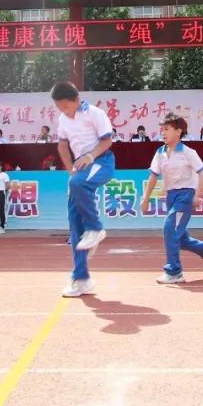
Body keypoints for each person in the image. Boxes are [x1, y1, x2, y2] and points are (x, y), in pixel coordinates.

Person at [52, 81, 115, 298]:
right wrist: (71, 170)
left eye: (66, 108)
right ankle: (82, 278)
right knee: (74, 220)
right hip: (81, 167)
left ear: (76, 100)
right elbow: (62, 145)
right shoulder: (62, 119)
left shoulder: (94, 113)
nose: (64, 112)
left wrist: (90, 156)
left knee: (77, 184)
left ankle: (96, 228)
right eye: (60, 109)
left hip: (102, 161)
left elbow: (107, 141)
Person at [140, 113, 203, 284]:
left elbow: (202, 174)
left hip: (185, 197)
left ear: (178, 131)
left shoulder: (189, 152)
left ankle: (174, 271)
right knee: (179, 237)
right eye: (161, 129)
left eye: (166, 129)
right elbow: (153, 176)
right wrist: (145, 199)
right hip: (171, 197)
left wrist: (197, 195)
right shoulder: (160, 152)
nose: (163, 133)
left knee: (170, 228)